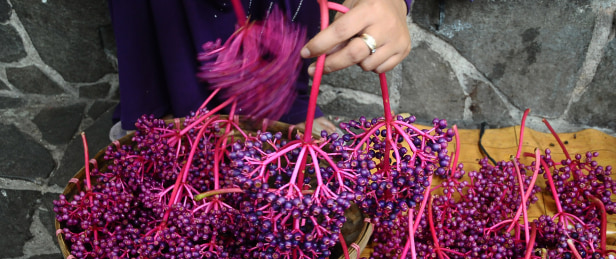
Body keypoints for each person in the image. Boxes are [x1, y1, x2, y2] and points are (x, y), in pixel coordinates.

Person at [108, 0, 412, 141]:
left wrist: (393, 4)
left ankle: (285, 108)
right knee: (159, 148)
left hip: (280, 72)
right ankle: (154, 115)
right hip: (165, 59)